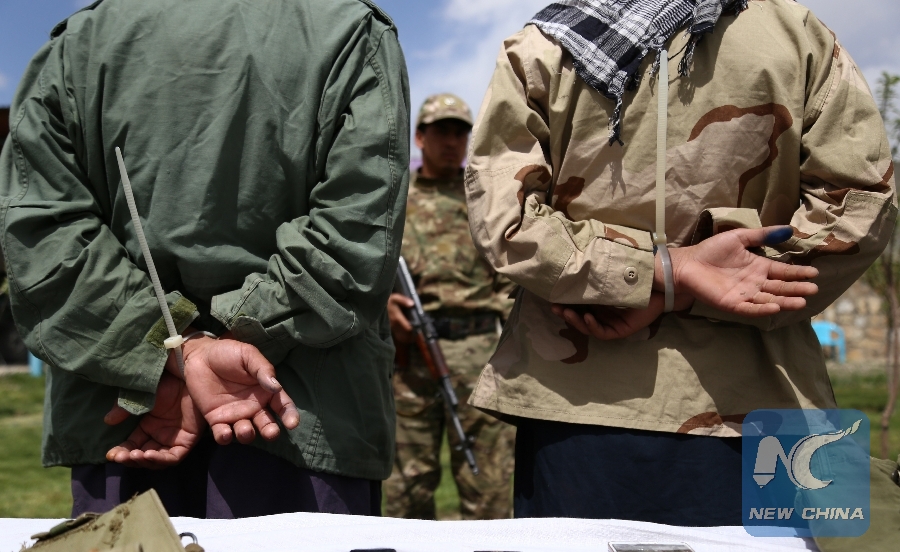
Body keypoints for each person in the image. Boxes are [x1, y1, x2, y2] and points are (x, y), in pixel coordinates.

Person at [464, 0, 896, 525]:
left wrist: (662, 278)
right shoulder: (799, 35)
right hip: (764, 404)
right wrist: (682, 277)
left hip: (576, 397)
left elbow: (504, 219)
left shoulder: (546, 44)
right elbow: (861, 204)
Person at [0, 0, 409, 518]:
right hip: (299, 409)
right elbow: (355, 233)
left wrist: (179, 352)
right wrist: (220, 348)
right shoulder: (350, 31)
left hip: (131, 411)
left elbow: (43, 237)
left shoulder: (76, 44)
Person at [383, 94, 516, 520]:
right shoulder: (391, 199)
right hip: (408, 357)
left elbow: (509, 276)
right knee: (407, 488)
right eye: (442, 131)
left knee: (489, 487)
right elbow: (367, 268)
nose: (452, 141)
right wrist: (383, 308)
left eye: (460, 132)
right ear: (420, 137)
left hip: (480, 355)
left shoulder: (485, 198)